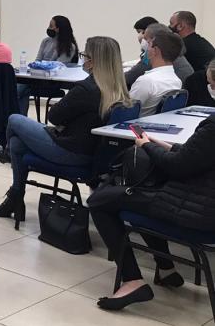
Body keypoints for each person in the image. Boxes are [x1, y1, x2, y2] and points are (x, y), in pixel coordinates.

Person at [0, 37, 133, 223]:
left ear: (94, 61)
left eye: (85, 56)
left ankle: (8, 158)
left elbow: (54, 117)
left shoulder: (86, 89)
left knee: (14, 119)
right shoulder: (119, 89)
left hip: (69, 151)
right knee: (18, 143)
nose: (83, 59)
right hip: (93, 156)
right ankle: (15, 196)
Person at [88, 115, 215, 311]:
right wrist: (164, 146)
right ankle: (165, 268)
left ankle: (132, 280)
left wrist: (147, 146)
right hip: (201, 205)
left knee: (98, 201)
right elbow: (198, 157)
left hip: (196, 210)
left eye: (213, 84)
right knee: (138, 198)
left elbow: (179, 166)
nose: (210, 89)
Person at [16, 15, 79, 114]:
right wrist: (36, 66)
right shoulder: (45, 41)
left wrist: (42, 64)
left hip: (53, 82)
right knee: (19, 85)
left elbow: (57, 66)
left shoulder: (69, 47)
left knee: (20, 89)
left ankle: (14, 119)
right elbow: (37, 60)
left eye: (51, 26)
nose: (49, 28)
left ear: (58, 29)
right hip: (37, 78)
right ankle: (18, 118)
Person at [128, 30, 183, 117]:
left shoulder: (146, 81)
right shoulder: (177, 80)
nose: (147, 49)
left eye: (149, 44)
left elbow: (126, 110)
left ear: (155, 50)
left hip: (135, 127)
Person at [126, 22, 194, 88]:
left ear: (155, 40)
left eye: (146, 39)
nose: (144, 41)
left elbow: (131, 76)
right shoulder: (175, 52)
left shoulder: (155, 54)